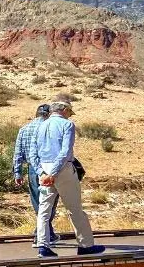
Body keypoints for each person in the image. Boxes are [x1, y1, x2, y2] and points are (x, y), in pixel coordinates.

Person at [32, 101, 105, 257]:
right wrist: (54, 172)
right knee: (75, 209)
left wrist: (43, 173)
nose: (69, 114)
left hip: (44, 169)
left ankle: (43, 246)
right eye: (69, 111)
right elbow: (65, 152)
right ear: (64, 110)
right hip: (62, 170)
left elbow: (33, 154)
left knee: (44, 210)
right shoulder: (67, 125)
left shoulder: (40, 126)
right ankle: (85, 245)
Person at [13, 104, 58, 246]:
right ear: (49, 114)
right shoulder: (50, 128)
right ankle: (40, 235)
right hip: (49, 168)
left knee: (38, 201)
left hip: (32, 169)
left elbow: (18, 153)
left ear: (36, 114)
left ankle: (47, 233)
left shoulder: (24, 129)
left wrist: (17, 172)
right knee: (50, 202)